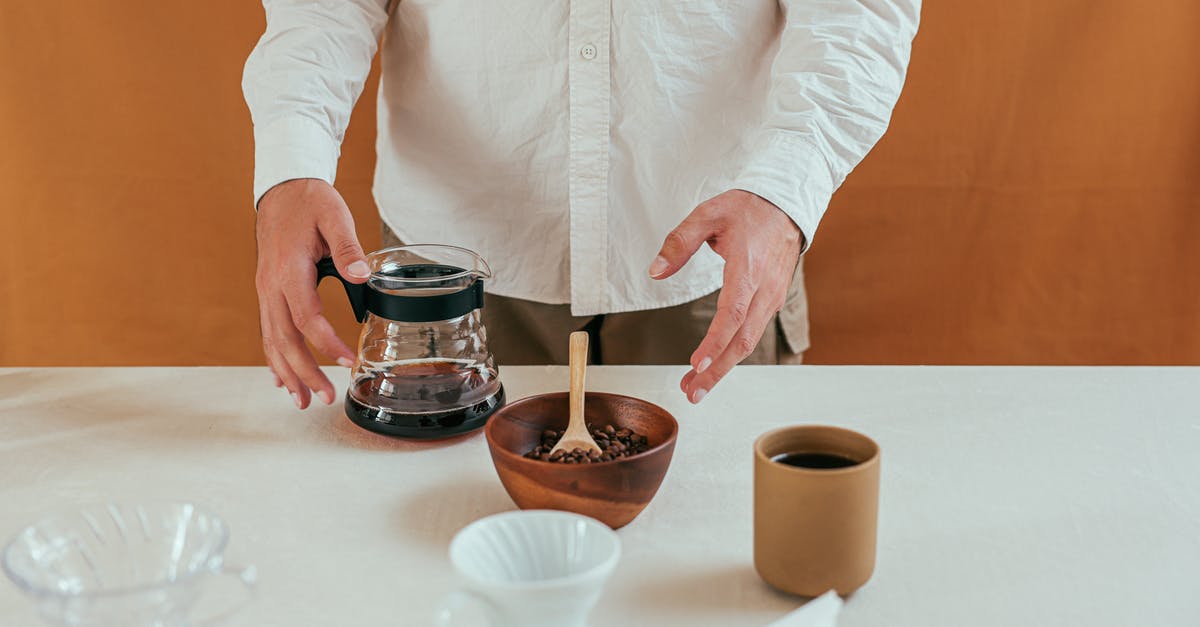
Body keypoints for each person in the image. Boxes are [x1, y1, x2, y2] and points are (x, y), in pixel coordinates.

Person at [243, 1, 920, 410]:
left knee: (707, 569)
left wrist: (787, 183)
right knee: (437, 551)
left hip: (713, 265)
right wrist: (291, 158)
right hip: (450, 268)